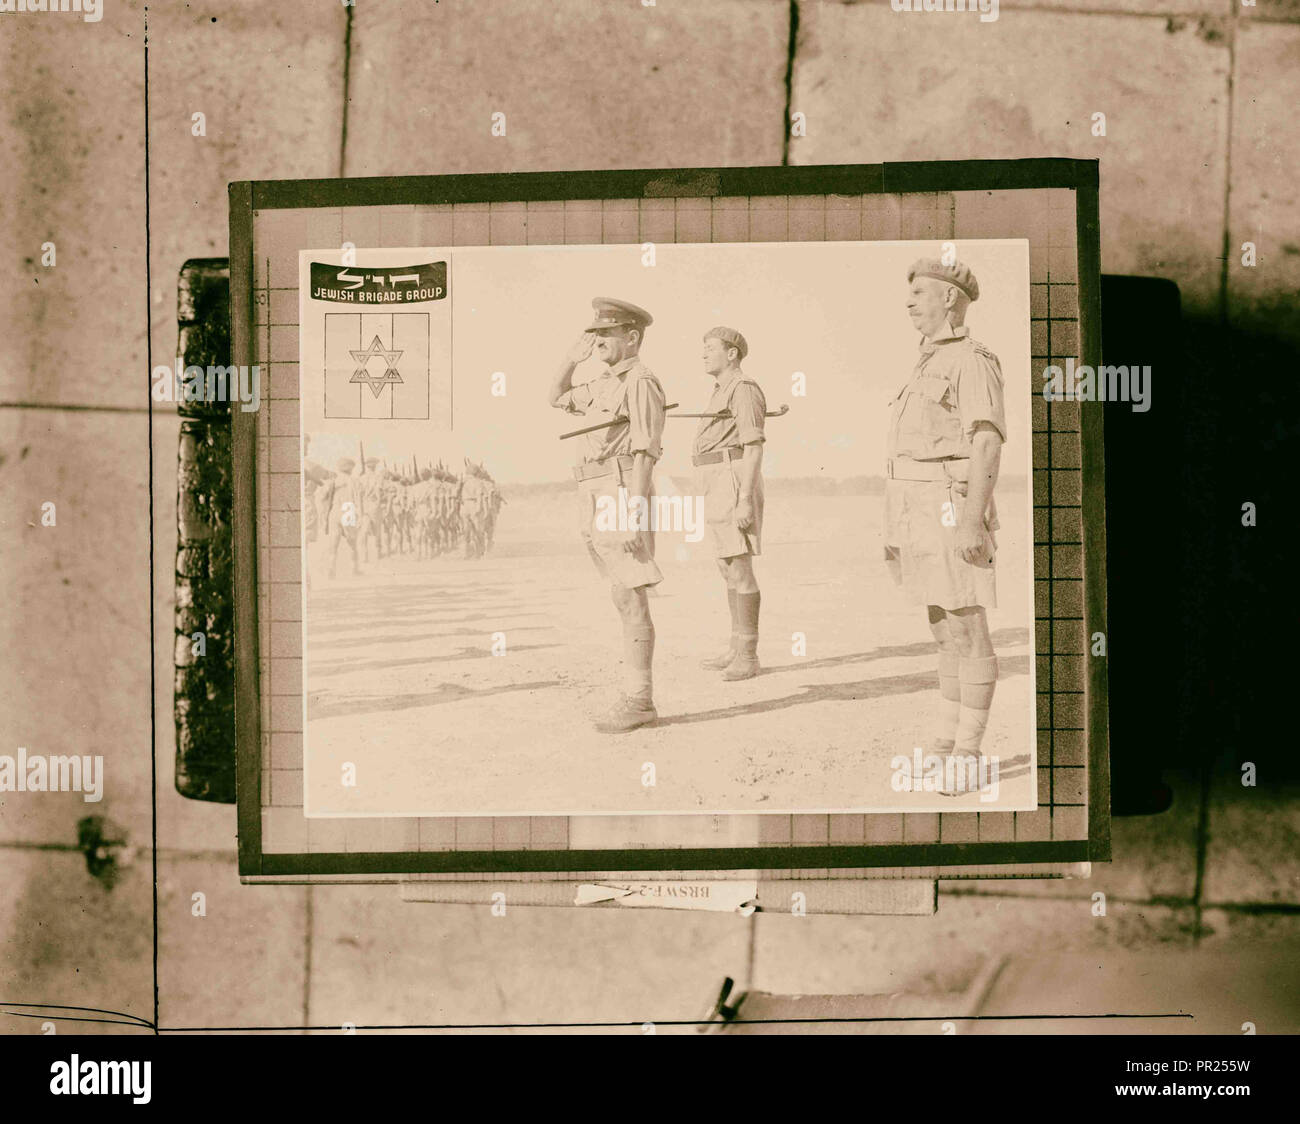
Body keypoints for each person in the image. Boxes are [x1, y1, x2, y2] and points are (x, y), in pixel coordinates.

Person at [884, 258, 1006, 792]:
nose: (908, 302)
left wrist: (973, 521)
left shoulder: (971, 360)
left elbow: (986, 441)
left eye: (918, 293)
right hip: (913, 501)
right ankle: (944, 740)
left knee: (967, 625)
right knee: (941, 627)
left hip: (950, 503)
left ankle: (970, 751)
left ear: (950, 299)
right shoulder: (924, 360)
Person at [549, 297, 666, 733]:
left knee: (631, 594)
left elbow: (645, 450)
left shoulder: (641, 381)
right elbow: (555, 397)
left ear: (632, 337)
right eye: (595, 333)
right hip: (593, 489)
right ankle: (638, 697)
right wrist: (569, 359)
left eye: (607, 334)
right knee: (621, 594)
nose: (597, 340)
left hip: (620, 488)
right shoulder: (602, 382)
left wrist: (635, 511)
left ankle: (639, 700)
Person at [693, 326, 766, 681]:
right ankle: (737, 647)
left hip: (732, 478)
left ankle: (748, 656)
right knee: (726, 566)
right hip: (715, 478)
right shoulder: (721, 391)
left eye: (710, 348)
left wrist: (745, 500)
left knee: (739, 566)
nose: (704, 354)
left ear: (732, 353)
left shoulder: (744, 389)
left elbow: (753, 448)